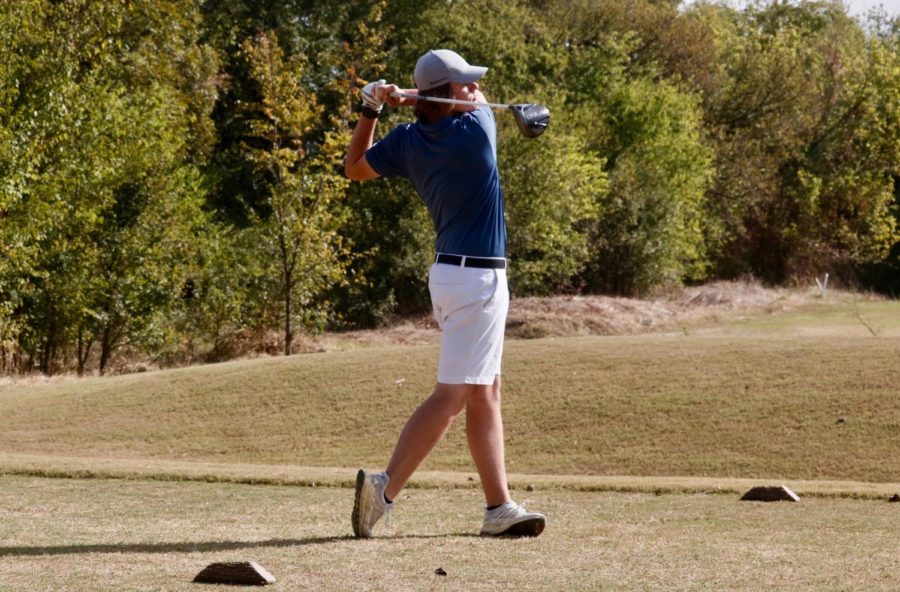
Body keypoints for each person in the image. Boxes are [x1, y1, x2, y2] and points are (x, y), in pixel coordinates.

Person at [344, 49, 546, 538]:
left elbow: (354, 167)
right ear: (446, 94)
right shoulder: (476, 131)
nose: (477, 91)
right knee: (454, 395)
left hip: (452, 276)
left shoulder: (409, 140)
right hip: (478, 280)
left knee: (484, 392)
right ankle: (383, 490)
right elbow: (481, 108)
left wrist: (371, 108)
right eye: (466, 84)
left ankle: (498, 507)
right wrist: (415, 99)